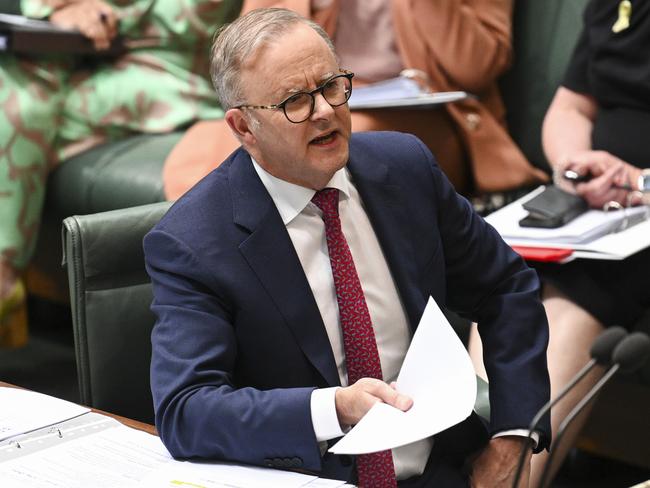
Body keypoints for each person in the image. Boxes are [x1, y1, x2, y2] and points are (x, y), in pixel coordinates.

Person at [144, 8, 551, 487]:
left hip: (442, 470)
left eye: (331, 86)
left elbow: (505, 286)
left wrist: (513, 435)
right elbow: (186, 410)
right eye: (295, 101)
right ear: (243, 128)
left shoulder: (405, 171)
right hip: (311, 477)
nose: (323, 111)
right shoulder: (194, 240)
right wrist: (332, 409)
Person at [470, 1, 650, 485]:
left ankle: (510, 475)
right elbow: (571, 106)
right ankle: (468, 462)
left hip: (639, 217)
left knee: (580, 284)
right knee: (501, 268)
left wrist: (643, 181)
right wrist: (577, 163)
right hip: (601, 206)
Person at [0, 0, 239, 347]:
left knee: (20, 110)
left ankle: (4, 280)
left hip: (171, 72)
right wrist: (60, 9)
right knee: (15, 94)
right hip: (74, 50)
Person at [161, 0, 549, 201]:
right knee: (197, 153)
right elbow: (248, 56)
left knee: (341, 139)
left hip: (428, 112)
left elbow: (475, 67)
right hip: (302, 98)